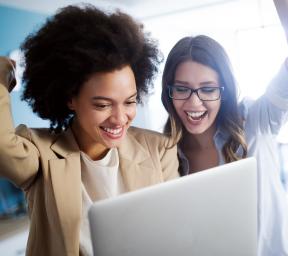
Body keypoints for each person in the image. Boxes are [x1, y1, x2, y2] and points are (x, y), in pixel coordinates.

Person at [0, 5, 179, 256]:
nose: (119, 119)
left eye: (129, 101)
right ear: (70, 98)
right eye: (103, 105)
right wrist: (2, 74)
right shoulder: (41, 154)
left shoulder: (159, 150)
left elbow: (173, 231)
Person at [160, 0, 288, 255]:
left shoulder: (256, 121)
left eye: (208, 89)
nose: (194, 102)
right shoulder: (164, 154)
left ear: (225, 90)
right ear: (169, 92)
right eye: (182, 88)